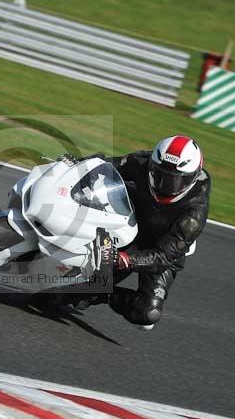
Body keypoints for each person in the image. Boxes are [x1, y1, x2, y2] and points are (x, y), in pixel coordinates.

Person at [62, 135, 211, 330]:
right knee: (62, 294)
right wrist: (79, 163)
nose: (165, 185)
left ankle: (102, 294)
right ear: (153, 166)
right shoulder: (144, 162)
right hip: (131, 223)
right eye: (160, 175)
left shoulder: (195, 213)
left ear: (192, 177)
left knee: (148, 312)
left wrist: (125, 259)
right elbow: (108, 165)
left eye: (175, 181)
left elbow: (163, 257)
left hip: (162, 251)